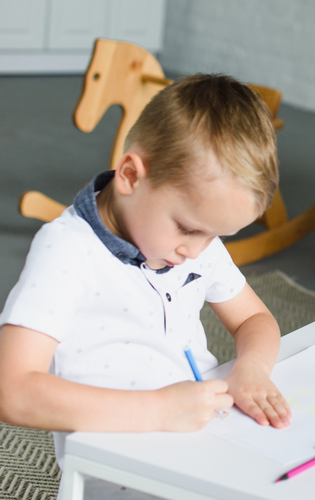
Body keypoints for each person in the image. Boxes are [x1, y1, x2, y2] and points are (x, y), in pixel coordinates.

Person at [0, 75, 292, 478]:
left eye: (216, 235)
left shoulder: (195, 243)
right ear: (131, 176)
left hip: (201, 443)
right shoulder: (67, 250)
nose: (197, 251)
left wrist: (252, 369)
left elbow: (253, 319)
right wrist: (161, 409)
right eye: (189, 228)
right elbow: (12, 391)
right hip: (118, 470)